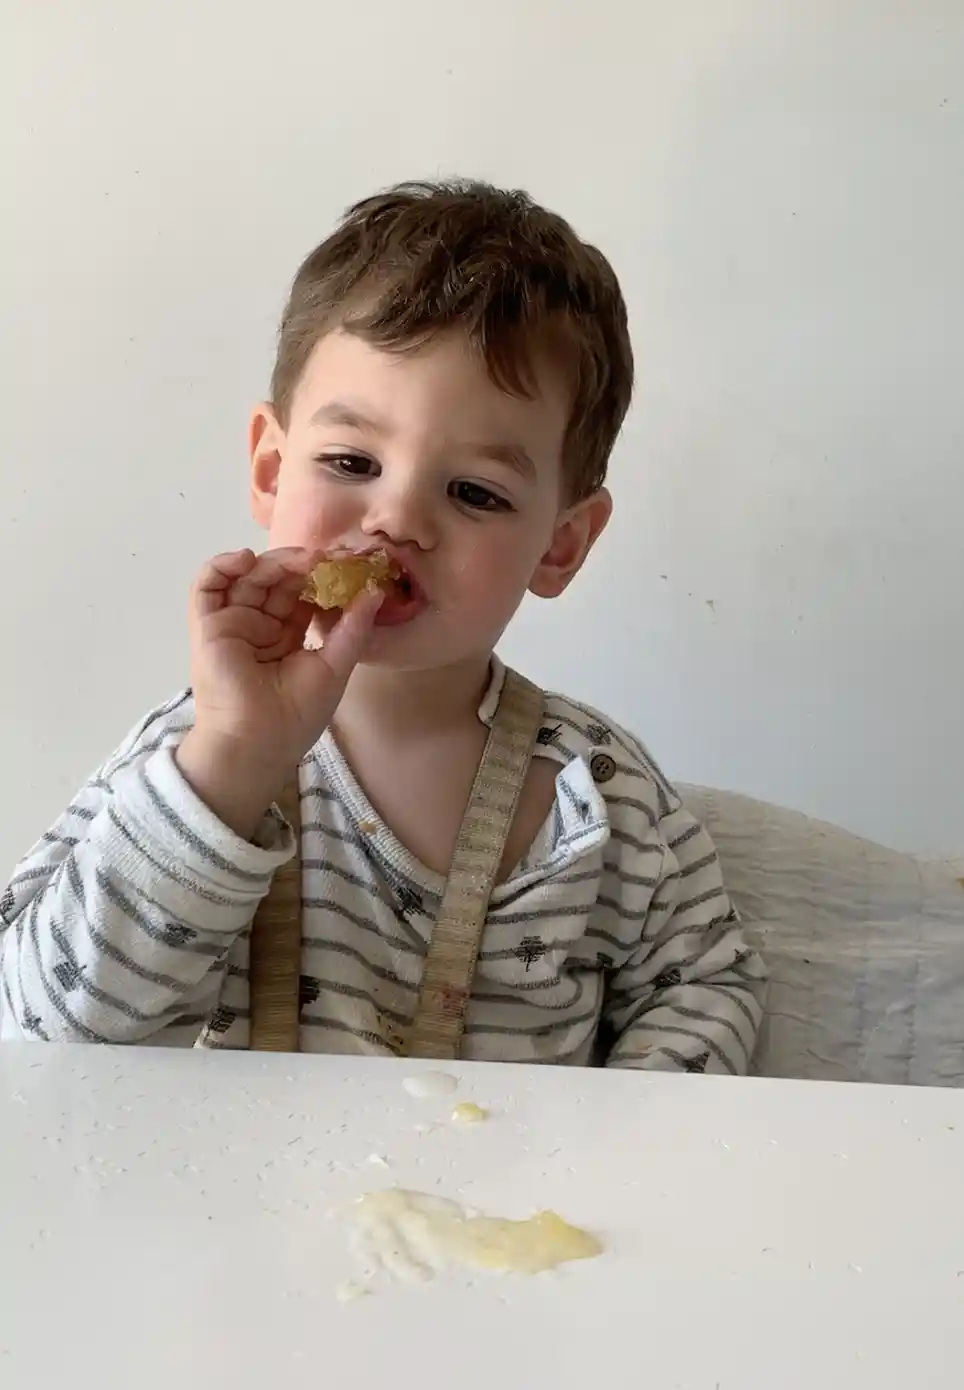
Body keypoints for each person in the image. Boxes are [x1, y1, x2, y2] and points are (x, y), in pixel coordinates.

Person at [0, 179, 766, 1068]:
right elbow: (41, 1040)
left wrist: (623, 1151)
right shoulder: (191, 754)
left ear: (560, 545)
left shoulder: (599, 794)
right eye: (351, 460)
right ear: (270, 471)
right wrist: (232, 765)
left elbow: (710, 988)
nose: (397, 519)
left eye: (475, 491)